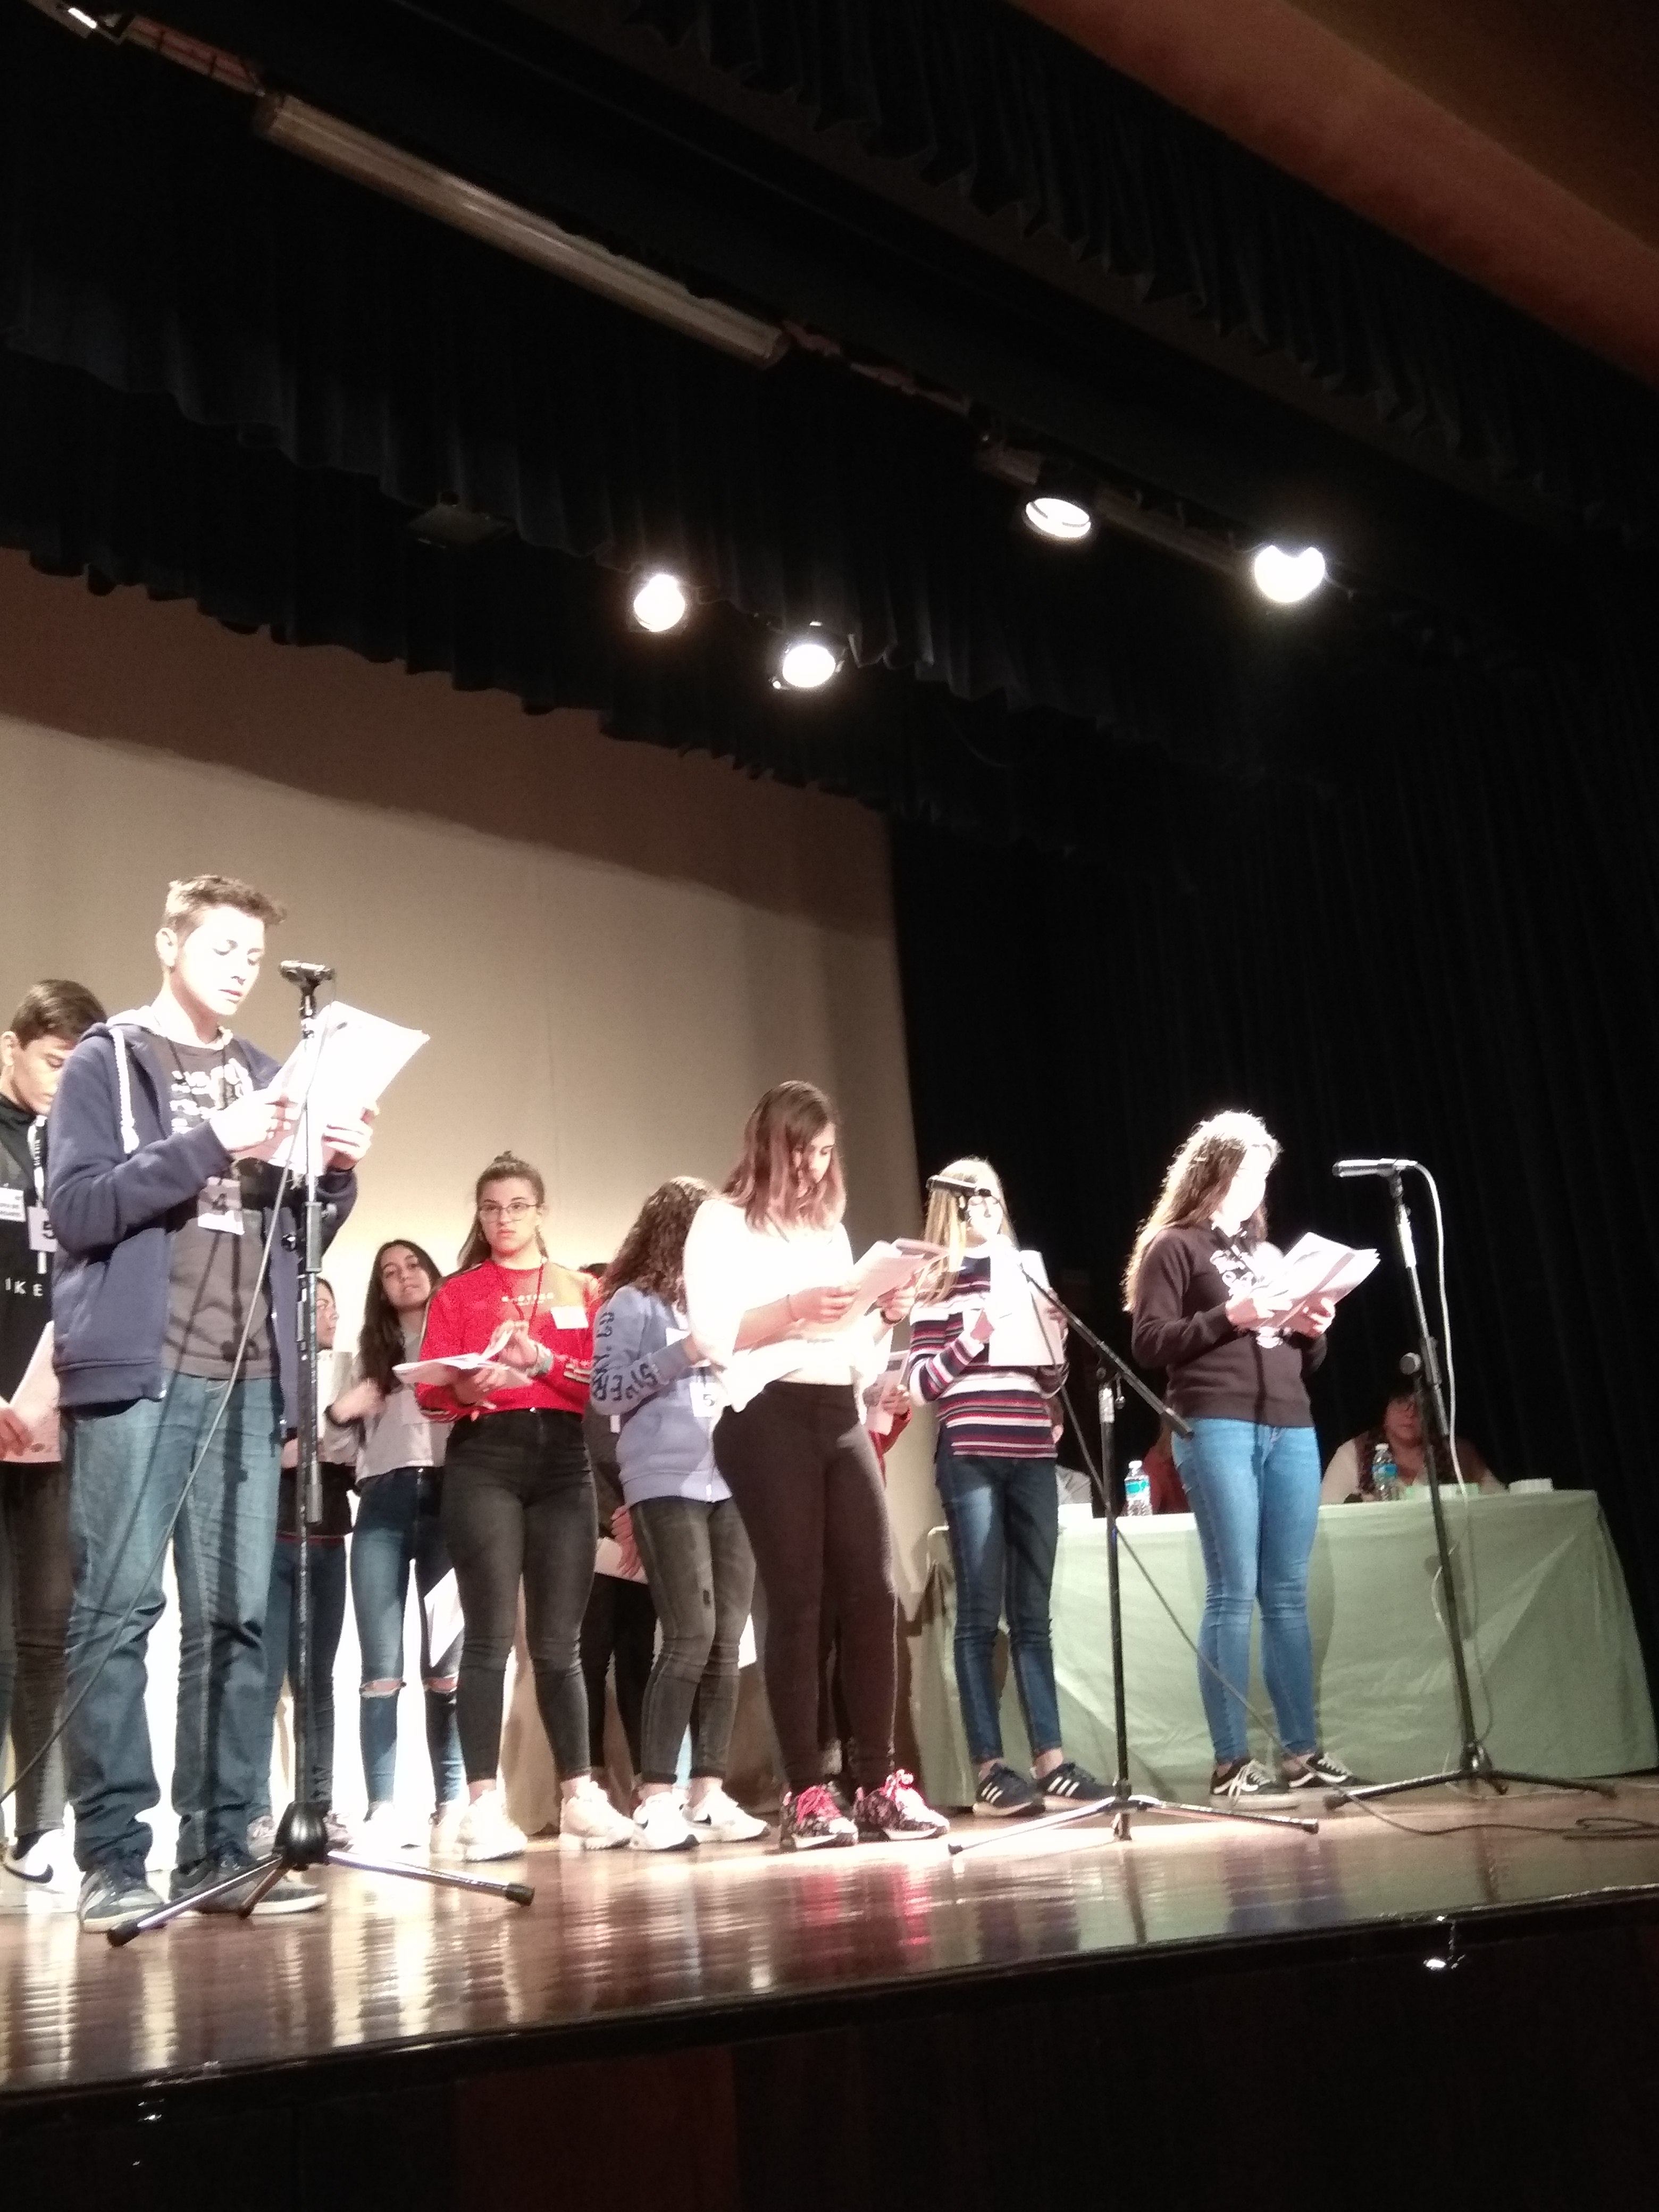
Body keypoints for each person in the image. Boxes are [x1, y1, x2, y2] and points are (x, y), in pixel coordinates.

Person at [47, 875, 370, 1931]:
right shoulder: (107, 1059)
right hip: (138, 1375)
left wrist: (333, 1172)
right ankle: (112, 1856)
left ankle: (221, 1849)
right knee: (117, 1614)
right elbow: (78, 1208)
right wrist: (213, 1141)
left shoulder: (272, 1072)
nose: (239, 967)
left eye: (253, 955)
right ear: (169, 942)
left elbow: (296, 1230)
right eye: (222, 946)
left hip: (245, 1376)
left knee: (236, 1619)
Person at [683, 1080, 948, 1850]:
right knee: (797, 1599)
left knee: (872, 1590)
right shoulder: (721, 1220)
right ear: (771, 1147)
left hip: (837, 1409)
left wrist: (882, 1311)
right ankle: (805, 1789)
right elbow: (711, 1334)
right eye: (803, 1151)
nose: (815, 1167)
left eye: (827, 1152)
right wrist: (796, 1306)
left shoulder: (828, 1230)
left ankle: (879, 1782)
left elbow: (850, 1348)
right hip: (765, 1414)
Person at [1126, 1110, 1356, 1804]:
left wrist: (1314, 1328)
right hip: (1215, 1420)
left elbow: (1303, 1357)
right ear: (1215, 1172)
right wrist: (1232, 1314)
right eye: (1247, 1173)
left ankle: (1301, 1751)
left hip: (1289, 1422)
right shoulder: (1174, 1246)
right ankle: (1230, 1760)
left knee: (1286, 1593)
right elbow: (1149, 1341)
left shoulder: (1269, 1254)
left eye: (1264, 1176)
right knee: (1233, 1590)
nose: (1257, 1187)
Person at [415, 1153, 634, 1859]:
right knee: (487, 1638)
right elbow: (429, 1390)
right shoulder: (459, 1292)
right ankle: (483, 1804)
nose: (502, 1219)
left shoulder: (582, 1289)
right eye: (490, 1208)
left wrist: (541, 1361)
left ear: (541, 1211)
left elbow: (603, 1384)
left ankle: (580, 1796)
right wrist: (463, 1391)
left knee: (560, 1645)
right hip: (486, 1459)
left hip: (563, 1462)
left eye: (516, 1206)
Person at [908, 1158, 1107, 1819]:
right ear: (952, 1207)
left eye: (993, 1195)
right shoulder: (935, 1280)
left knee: (1032, 1614)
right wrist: (979, 1331)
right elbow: (922, 1382)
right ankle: (990, 1767)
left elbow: (1048, 1383)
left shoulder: (1025, 1273)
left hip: (1031, 1452)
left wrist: (1055, 1345)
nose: (985, 1205)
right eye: (972, 1197)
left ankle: (1052, 1761)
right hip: (970, 1453)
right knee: (978, 1613)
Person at [592, 1177, 767, 1850]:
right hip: (665, 1476)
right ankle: (655, 1795)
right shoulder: (630, 1302)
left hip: (733, 1475)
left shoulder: (732, 1304)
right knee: (689, 1632)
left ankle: (709, 1791)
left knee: (727, 1636)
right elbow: (607, 1391)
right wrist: (687, 1350)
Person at [0, 978, 106, 1892]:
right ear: (11, 1047)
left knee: (48, 1634)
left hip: (53, 1423)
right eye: (54, 1063)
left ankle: (39, 1826)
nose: (64, 1082)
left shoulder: (83, 1152)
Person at [329, 1238, 465, 1856]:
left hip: (447, 1503)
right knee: (379, 1671)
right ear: (380, 1290)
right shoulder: (367, 1357)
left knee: (447, 1668)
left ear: (433, 1273)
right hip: (381, 1506)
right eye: (390, 1271)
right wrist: (342, 1411)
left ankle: (452, 1804)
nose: (404, 1276)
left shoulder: (459, 1345)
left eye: (413, 1265)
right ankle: (381, 1807)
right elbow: (334, 1442)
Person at [248, 1277, 355, 1854]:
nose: (327, 1316)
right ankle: (255, 1812)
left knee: (318, 1682)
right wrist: (312, 1436)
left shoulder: (351, 1373)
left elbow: (358, 1461)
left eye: (332, 1307)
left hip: (329, 1539)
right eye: (317, 1307)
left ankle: (319, 1805)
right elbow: (265, 1452)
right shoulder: (271, 1376)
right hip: (272, 1539)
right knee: (264, 1682)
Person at [577, 1365, 657, 1806]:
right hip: (590, 1534)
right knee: (588, 1657)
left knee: (638, 1657)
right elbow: (579, 1457)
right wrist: (616, 1519)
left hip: (646, 1528)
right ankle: (590, 1781)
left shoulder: (652, 1375)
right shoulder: (583, 1375)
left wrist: (640, 1518)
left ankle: (650, 1782)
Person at [1321, 1379, 1503, 1503]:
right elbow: (1325, 1516)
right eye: (1401, 1402)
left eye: (1421, 1404)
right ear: (1385, 1411)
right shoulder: (1353, 1453)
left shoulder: (1456, 1453)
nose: (1410, 1412)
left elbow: (1500, 1502)